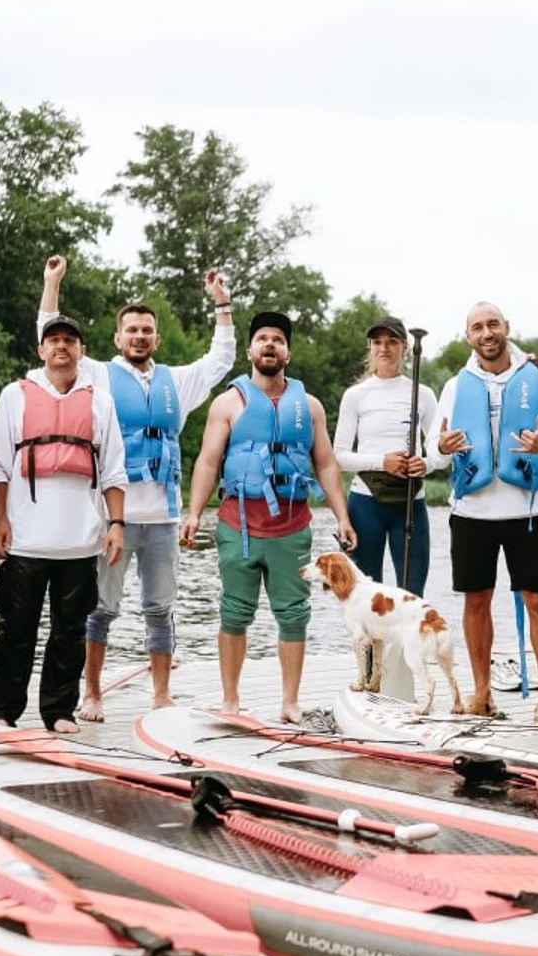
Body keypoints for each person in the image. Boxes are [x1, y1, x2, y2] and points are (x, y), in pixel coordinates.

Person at [36, 255, 236, 723]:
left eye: (147, 330)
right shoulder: (99, 375)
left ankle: (162, 695)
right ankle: (92, 695)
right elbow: (50, 339)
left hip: (163, 518)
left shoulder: (179, 383)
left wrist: (222, 304)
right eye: (132, 330)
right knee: (100, 609)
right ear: (117, 338)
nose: (140, 336)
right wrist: (52, 284)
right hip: (113, 520)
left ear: (157, 338)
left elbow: (221, 358)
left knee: (160, 610)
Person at [181, 312, 356, 723]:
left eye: (278, 339)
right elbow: (207, 462)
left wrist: (342, 518)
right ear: (250, 351)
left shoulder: (309, 406)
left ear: (288, 353)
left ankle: (290, 703)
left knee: (294, 613)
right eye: (263, 338)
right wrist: (192, 514)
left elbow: (327, 465)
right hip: (238, 524)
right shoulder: (227, 403)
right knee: (234, 610)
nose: (270, 344)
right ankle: (230, 700)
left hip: (291, 527)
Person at [427, 302, 538, 724]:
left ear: (507, 327)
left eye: (493, 324)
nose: (487, 333)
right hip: (472, 512)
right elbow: (431, 454)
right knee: (476, 601)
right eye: (477, 327)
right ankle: (482, 693)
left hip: (529, 509)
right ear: (468, 336)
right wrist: (441, 448)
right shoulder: (457, 385)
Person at [0, 315, 128, 732]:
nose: (62, 346)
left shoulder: (100, 400)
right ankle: (2, 710)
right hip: (27, 538)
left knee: (70, 631)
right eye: (54, 340)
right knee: (16, 629)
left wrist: (115, 524)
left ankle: (59, 710)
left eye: (70, 340)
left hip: (80, 541)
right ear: (41, 350)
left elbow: (114, 469)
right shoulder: (16, 395)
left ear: (81, 350)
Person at [332, 316, 438, 597]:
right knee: (364, 597)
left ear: (404, 347)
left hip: (410, 503)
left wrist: (425, 463)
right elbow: (339, 457)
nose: (384, 348)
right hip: (366, 503)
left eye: (392, 341)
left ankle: (408, 644)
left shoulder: (423, 394)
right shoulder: (356, 395)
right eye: (377, 342)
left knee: (412, 597)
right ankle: (367, 645)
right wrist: (382, 461)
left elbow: (441, 449)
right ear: (370, 348)